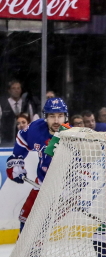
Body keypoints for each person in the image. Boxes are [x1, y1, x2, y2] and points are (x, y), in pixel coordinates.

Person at [5, 98, 69, 231]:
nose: (56, 121)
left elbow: (85, 167)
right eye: (52, 116)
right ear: (45, 117)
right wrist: (16, 162)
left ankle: (36, 250)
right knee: (26, 220)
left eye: (60, 116)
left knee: (41, 228)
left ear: (65, 117)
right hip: (41, 184)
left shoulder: (73, 137)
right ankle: (26, 252)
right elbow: (22, 141)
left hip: (62, 190)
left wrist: (72, 190)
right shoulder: (36, 129)